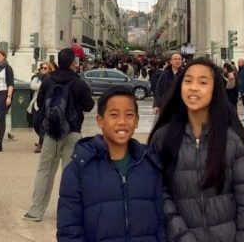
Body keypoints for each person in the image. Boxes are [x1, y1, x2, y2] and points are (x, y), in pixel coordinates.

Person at [148, 57, 244, 240]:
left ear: (215, 90)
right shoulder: (162, 139)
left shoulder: (233, 141)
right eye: (187, 81)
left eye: (203, 82)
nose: (193, 87)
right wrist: (183, 237)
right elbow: (159, 195)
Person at [56, 86, 165, 242]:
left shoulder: (150, 164)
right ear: (100, 121)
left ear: (137, 121)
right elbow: (68, 230)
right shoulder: (78, 169)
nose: (122, 122)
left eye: (129, 115)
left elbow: (162, 222)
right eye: (114, 115)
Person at [23, 48, 95, 222]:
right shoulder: (78, 83)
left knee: (45, 171)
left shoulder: (48, 80)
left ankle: (36, 210)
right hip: (72, 131)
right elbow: (89, 106)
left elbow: (39, 103)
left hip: (50, 133)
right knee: (71, 173)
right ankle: (71, 213)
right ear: (72, 63)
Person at [28, 61, 53, 154]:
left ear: (49, 69)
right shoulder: (37, 78)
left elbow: (46, 88)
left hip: (45, 103)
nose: (43, 69)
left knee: (43, 125)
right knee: (35, 124)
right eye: (42, 68)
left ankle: (41, 143)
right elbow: (32, 86)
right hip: (36, 104)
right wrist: (40, 83)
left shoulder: (51, 78)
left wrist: (41, 86)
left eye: (45, 68)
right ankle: (44, 139)